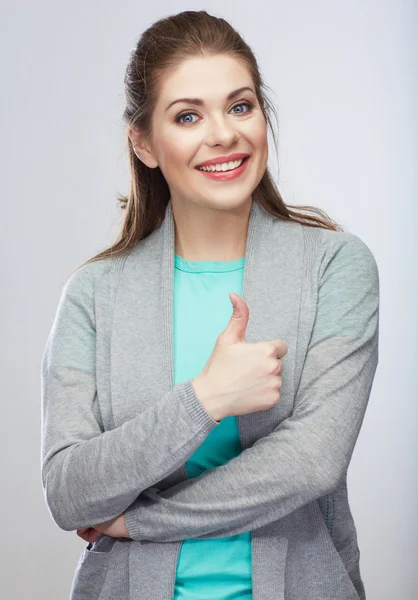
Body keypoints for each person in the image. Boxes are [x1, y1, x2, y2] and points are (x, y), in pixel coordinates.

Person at [40, 10, 379, 600]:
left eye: (240, 106)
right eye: (188, 115)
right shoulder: (94, 293)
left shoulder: (335, 267)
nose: (222, 134)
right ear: (144, 142)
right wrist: (205, 400)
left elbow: (312, 462)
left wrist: (135, 521)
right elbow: (69, 492)